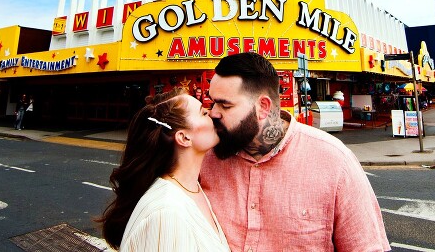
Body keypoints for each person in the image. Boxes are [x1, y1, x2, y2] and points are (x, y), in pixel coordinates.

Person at [201, 52, 390, 252]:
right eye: (213, 102)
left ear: (263, 107)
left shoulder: (335, 162)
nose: (213, 112)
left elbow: (367, 247)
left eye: (225, 104)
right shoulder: (203, 157)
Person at [98, 87, 229, 251]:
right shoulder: (167, 214)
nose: (213, 114)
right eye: (203, 113)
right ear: (184, 137)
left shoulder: (192, 189)